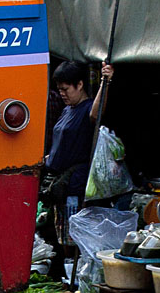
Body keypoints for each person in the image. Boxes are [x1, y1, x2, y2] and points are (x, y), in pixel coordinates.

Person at [42, 59, 114, 257]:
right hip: (59, 186)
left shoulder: (87, 109)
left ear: (80, 84)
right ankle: (67, 274)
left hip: (75, 184)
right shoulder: (67, 110)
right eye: (60, 89)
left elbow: (96, 113)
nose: (62, 94)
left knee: (74, 236)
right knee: (63, 234)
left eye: (66, 89)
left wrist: (105, 82)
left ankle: (75, 274)